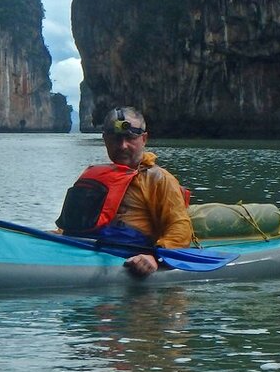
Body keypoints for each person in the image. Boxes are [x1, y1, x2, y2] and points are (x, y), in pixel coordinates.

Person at [56, 106, 193, 277]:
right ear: (105, 140)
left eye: (130, 138)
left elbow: (179, 227)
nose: (122, 146)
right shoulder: (93, 175)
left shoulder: (159, 179)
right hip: (82, 248)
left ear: (144, 139)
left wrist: (155, 257)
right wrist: (57, 235)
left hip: (129, 253)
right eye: (115, 139)